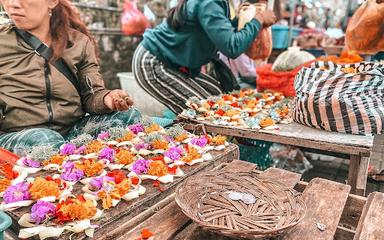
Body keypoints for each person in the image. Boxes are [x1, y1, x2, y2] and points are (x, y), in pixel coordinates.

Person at [0, 0, 140, 154]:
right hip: (17, 137)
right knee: (45, 141)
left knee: (129, 117)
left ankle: (71, 156)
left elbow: (91, 95)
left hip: (71, 132)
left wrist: (108, 99)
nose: (12, 3)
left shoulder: (78, 42)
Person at [132, 0, 277, 114]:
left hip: (172, 62)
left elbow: (221, 32)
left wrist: (241, 21)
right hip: (154, 63)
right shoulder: (209, 3)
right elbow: (232, 47)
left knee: (217, 95)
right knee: (205, 112)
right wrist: (259, 19)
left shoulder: (216, 3)